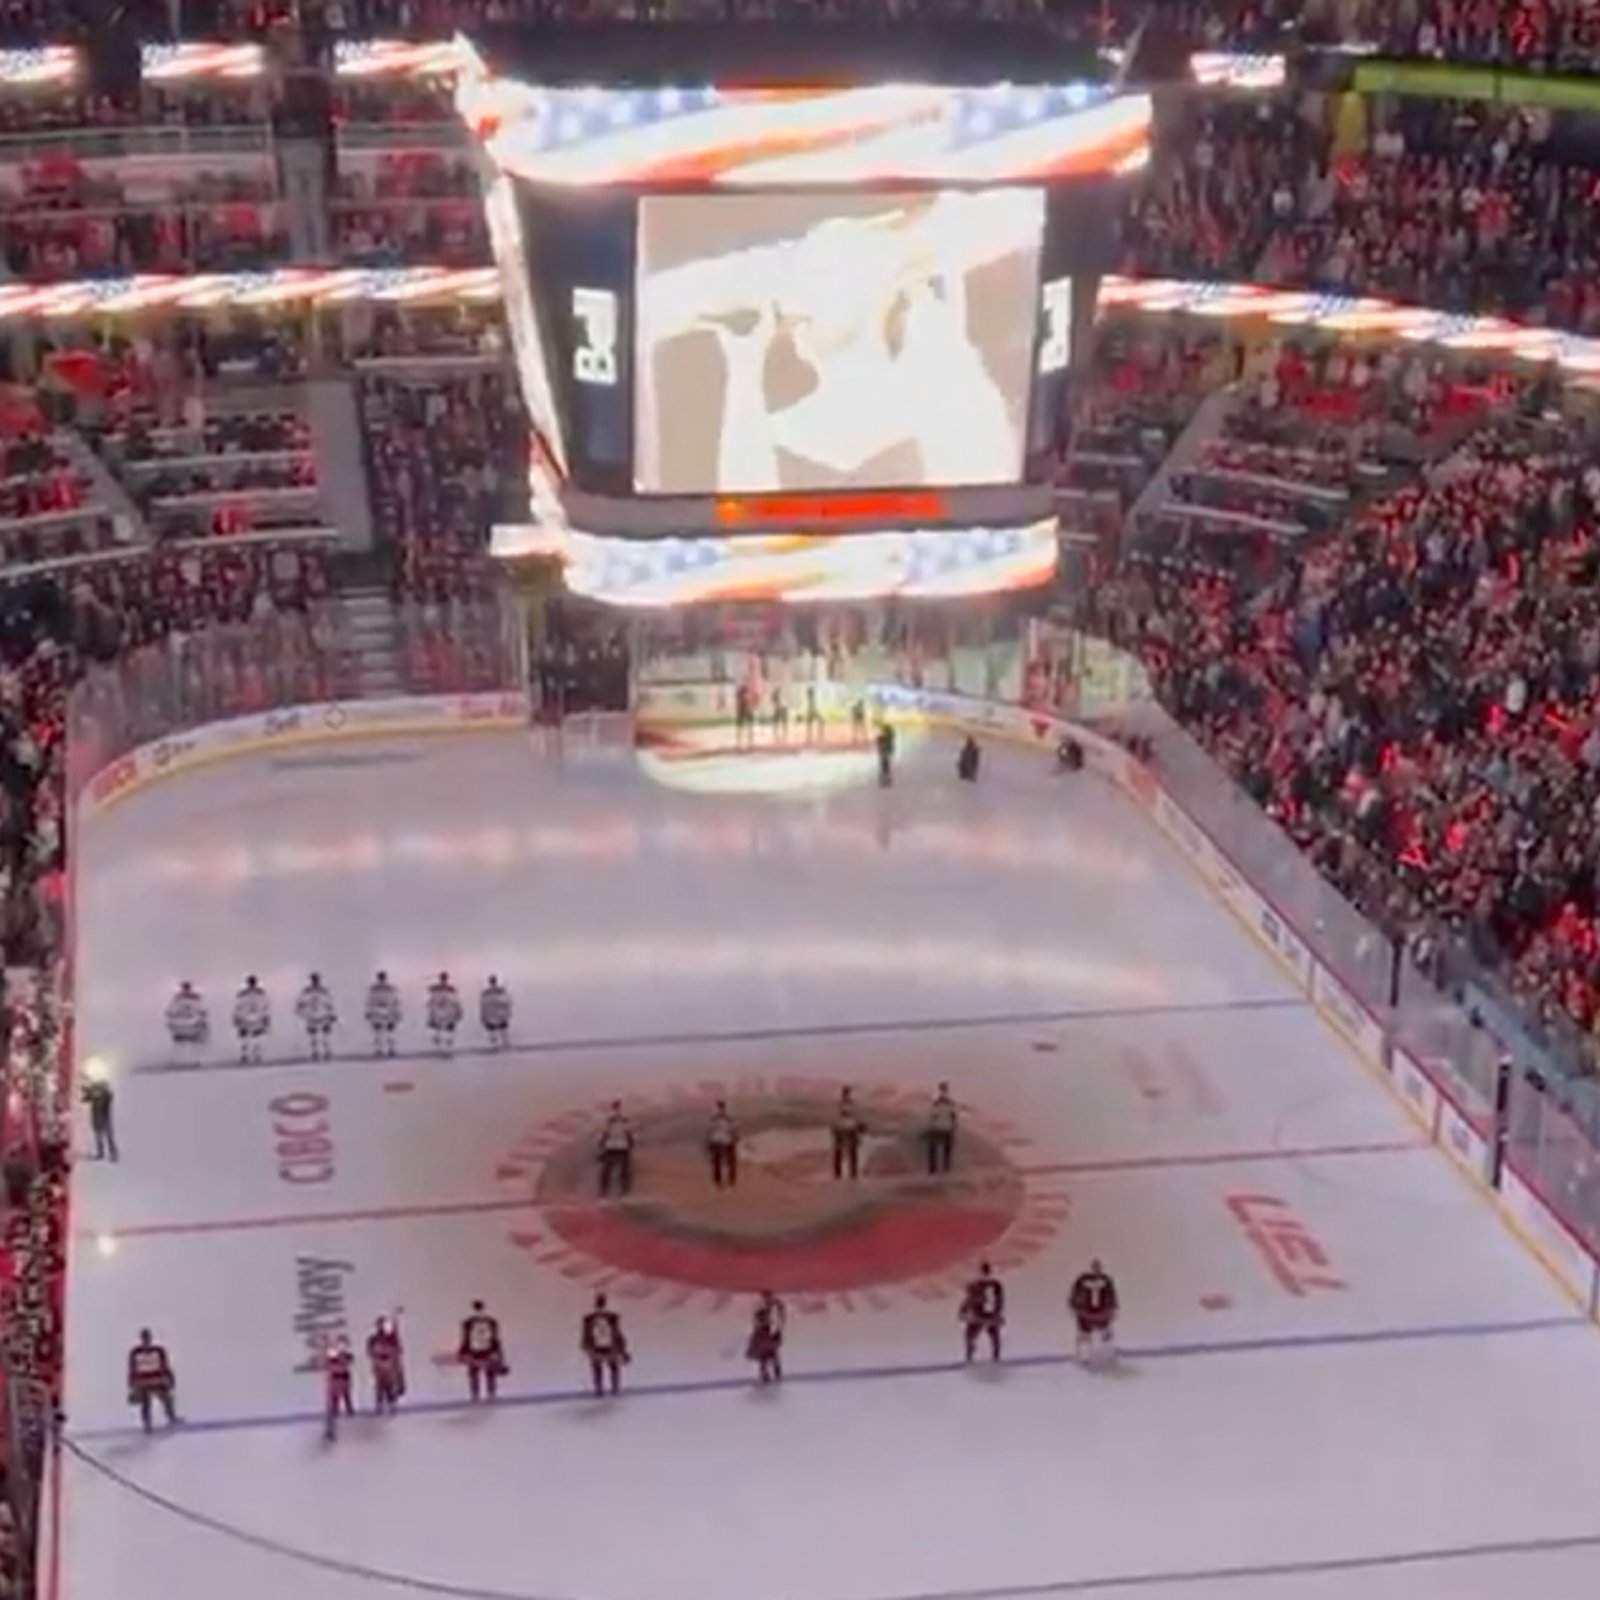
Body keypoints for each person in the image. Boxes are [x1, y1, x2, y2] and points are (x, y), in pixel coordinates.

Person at [1070, 1259, 1119, 1366]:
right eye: (1094, 1267)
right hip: (1085, 1312)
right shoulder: (1082, 1280)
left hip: (1102, 1312)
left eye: (1098, 1267)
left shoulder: (1106, 1280)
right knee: (1084, 1335)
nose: (1096, 1269)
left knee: (1106, 1333)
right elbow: (1075, 1293)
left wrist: (1113, 1308)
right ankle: (1084, 1357)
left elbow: (1111, 1295)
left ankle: (1107, 1355)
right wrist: (1074, 1305)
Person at [127, 1329, 177, 1431]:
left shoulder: (158, 1351)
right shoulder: (136, 1353)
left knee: (167, 1398)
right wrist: (132, 1384)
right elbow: (132, 1369)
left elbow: (165, 1366)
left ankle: (171, 1417)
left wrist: (169, 1379)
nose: (146, 1341)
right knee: (146, 1402)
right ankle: (147, 1423)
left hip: (158, 1380)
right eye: (144, 1339)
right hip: (142, 1382)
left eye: (147, 1339)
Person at [459, 1300, 506, 1402]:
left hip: (483, 1350)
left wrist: (499, 1353)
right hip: (476, 1350)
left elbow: (495, 1338)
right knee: (476, 1373)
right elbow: (465, 1338)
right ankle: (479, 1394)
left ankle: (487, 1394)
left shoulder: (488, 1322)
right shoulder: (470, 1323)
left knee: (486, 1373)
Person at [581, 1292, 627, 1396]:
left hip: (597, 1346)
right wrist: (622, 1348)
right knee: (612, 1366)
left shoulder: (590, 1318)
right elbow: (617, 1332)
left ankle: (600, 1389)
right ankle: (614, 1388)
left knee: (598, 1367)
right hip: (609, 1345)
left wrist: (585, 1345)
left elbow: (586, 1333)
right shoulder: (611, 1317)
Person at [961, 1262, 1005, 1363]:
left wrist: (963, 1310)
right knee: (993, 1336)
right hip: (990, 1313)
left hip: (979, 1313)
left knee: (971, 1335)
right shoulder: (995, 1284)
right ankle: (995, 1356)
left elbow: (970, 1299)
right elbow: (1000, 1300)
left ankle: (970, 1355)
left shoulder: (975, 1284)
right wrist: (998, 1314)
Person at [367, 1315, 405, 1413]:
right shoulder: (374, 1339)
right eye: (386, 1325)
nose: (388, 1327)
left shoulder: (393, 1339)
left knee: (391, 1388)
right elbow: (371, 1352)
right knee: (380, 1388)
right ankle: (380, 1405)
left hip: (391, 1368)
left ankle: (391, 1404)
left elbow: (398, 1350)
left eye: (389, 1325)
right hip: (380, 1368)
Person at [747, 1290, 786, 1385]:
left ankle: (774, 1374)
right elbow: (758, 1322)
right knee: (766, 1356)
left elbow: (780, 1318)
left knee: (772, 1355)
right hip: (764, 1335)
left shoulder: (775, 1307)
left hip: (769, 1335)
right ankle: (767, 1375)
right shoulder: (762, 1310)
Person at [597, 1101, 635, 1197]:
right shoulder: (615, 1120)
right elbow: (628, 1134)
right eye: (616, 1109)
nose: (617, 1111)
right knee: (612, 1171)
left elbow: (606, 1134)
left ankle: (615, 1191)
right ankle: (611, 1191)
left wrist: (601, 1144)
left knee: (614, 1171)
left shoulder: (618, 1120)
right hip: (616, 1147)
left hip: (617, 1147)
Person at [296, 974, 337, 1062]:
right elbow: (300, 1003)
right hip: (311, 1016)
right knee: (313, 1036)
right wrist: (301, 1012)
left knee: (325, 1035)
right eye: (313, 980)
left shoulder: (324, 991)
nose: (315, 981)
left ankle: (327, 1051)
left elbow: (330, 1003)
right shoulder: (306, 992)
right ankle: (315, 1052)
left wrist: (332, 1014)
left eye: (316, 980)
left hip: (324, 1015)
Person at [165, 981, 208, 1062]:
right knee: (196, 1039)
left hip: (185, 1023)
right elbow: (202, 1009)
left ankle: (180, 1058)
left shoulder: (179, 998)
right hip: (187, 1023)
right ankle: (196, 1057)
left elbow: (170, 1010)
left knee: (182, 1041)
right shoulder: (190, 997)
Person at [322, 1335, 355, 1442]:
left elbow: (349, 1360)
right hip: (334, 1384)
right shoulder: (333, 1357)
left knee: (345, 1399)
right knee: (331, 1407)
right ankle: (330, 1429)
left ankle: (348, 1411)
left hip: (343, 1382)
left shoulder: (345, 1357)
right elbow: (328, 1363)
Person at [233, 975, 270, 1064]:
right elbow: (237, 1006)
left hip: (256, 1017)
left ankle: (255, 1055)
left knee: (255, 1037)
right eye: (251, 982)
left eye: (253, 982)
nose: (252, 984)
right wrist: (236, 1018)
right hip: (245, 1017)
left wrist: (266, 1017)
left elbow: (266, 1006)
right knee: (245, 1037)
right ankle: (245, 1055)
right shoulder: (242, 994)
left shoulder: (261, 993)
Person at [81, 1071, 116, 1162]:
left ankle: (112, 1153)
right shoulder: (94, 1091)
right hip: (97, 1118)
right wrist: (86, 1090)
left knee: (108, 1137)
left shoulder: (105, 1093)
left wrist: (90, 1092)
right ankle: (101, 1153)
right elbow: (85, 1098)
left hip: (104, 1117)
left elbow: (110, 1096)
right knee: (99, 1137)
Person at [832, 1085, 865, 1180]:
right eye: (846, 1093)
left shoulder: (847, 1104)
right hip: (843, 1128)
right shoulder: (841, 1105)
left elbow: (856, 1117)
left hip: (848, 1128)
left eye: (847, 1093)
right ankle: (840, 1174)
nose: (847, 1095)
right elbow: (836, 1117)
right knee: (842, 1153)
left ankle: (851, 1173)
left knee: (851, 1153)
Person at [924, 1082, 957, 1175]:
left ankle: (933, 1168)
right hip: (946, 1128)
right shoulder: (950, 1103)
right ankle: (945, 1168)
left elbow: (932, 1116)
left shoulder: (937, 1103)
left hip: (938, 1127)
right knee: (946, 1149)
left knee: (934, 1148)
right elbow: (954, 1116)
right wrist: (953, 1127)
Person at [366, 970, 401, 1057]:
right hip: (388, 1010)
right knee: (389, 1031)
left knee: (378, 1031)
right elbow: (396, 1001)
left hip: (377, 1010)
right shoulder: (391, 988)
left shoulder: (373, 989)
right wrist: (397, 1012)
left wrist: (369, 1011)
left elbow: (370, 1001)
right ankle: (390, 1049)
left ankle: (379, 1050)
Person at [426, 972, 462, 1054]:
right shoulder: (450, 990)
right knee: (448, 1028)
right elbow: (456, 1002)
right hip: (447, 1012)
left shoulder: (436, 990)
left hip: (440, 1012)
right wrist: (458, 1012)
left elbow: (430, 1003)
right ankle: (447, 1044)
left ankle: (441, 1043)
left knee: (438, 1027)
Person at [706, 1099, 739, 1189]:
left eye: (721, 1108)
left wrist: (734, 1137)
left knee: (727, 1162)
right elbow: (709, 1130)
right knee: (719, 1162)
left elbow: (734, 1129)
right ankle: (721, 1181)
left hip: (724, 1141)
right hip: (720, 1141)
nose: (721, 1110)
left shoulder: (726, 1118)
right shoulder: (716, 1118)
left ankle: (729, 1181)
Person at [479, 977, 512, 1050]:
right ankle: (502, 1044)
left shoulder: (487, 993)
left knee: (497, 1029)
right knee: (499, 1029)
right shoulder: (496, 992)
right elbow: (507, 1002)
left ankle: (499, 1044)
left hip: (496, 1013)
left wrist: (483, 1015)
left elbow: (483, 1005)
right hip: (496, 1013)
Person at [876, 720, 896, 786]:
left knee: (884, 766)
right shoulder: (889, 737)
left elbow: (878, 741)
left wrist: (879, 742)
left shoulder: (884, 737)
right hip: (886, 752)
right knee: (886, 766)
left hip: (884, 752)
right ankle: (886, 779)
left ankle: (885, 779)